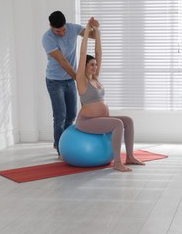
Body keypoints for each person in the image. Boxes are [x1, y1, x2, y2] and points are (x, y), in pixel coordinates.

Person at [75, 19, 145, 172]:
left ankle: (130, 156)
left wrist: (97, 31)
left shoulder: (96, 77)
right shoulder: (81, 80)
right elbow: (82, 54)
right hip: (86, 121)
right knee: (118, 124)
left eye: (96, 64)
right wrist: (87, 30)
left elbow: (99, 53)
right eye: (91, 64)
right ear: (85, 67)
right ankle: (117, 163)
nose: (95, 66)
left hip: (100, 119)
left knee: (128, 121)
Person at [42, 11, 98, 158]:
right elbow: (63, 61)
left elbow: (91, 36)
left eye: (63, 30)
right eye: (57, 31)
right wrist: (79, 78)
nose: (61, 33)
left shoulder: (73, 28)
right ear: (51, 27)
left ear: (66, 24)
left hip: (69, 81)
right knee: (60, 115)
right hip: (55, 81)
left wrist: (94, 28)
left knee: (72, 114)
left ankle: (62, 143)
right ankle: (61, 150)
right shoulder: (47, 38)